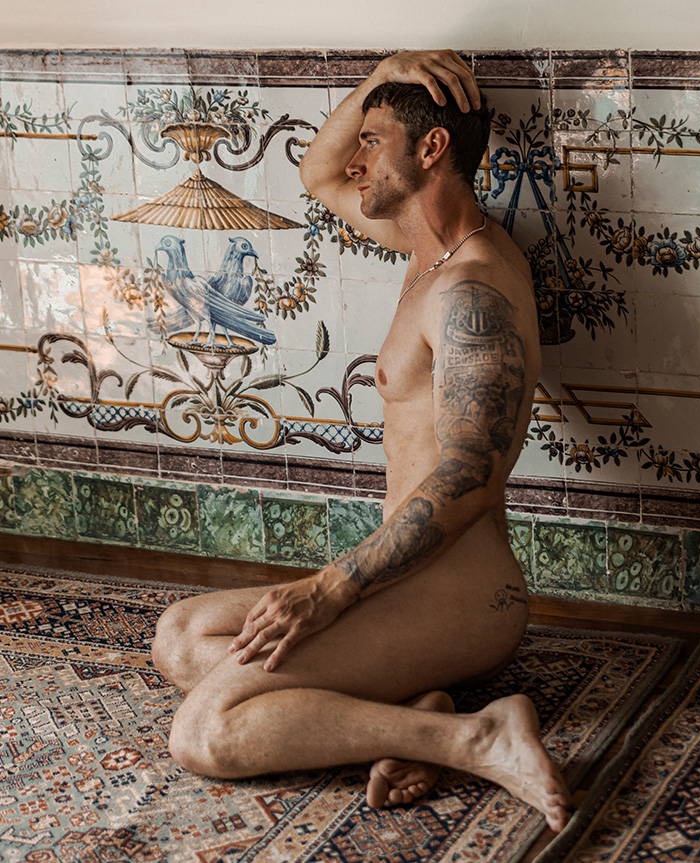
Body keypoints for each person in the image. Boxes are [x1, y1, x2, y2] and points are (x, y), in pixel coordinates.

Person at [151, 49, 570, 833]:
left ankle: (476, 737)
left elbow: (471, 475)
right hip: (405, 576)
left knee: (205, 731)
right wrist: (383, 74)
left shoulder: (472, 288)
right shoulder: (424, 248)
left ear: (432, 149)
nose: (355, 159)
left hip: (462, 593)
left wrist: (331, 588)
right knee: (181, 637)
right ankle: (418, 709)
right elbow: (317, 173)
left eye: (372, 141)